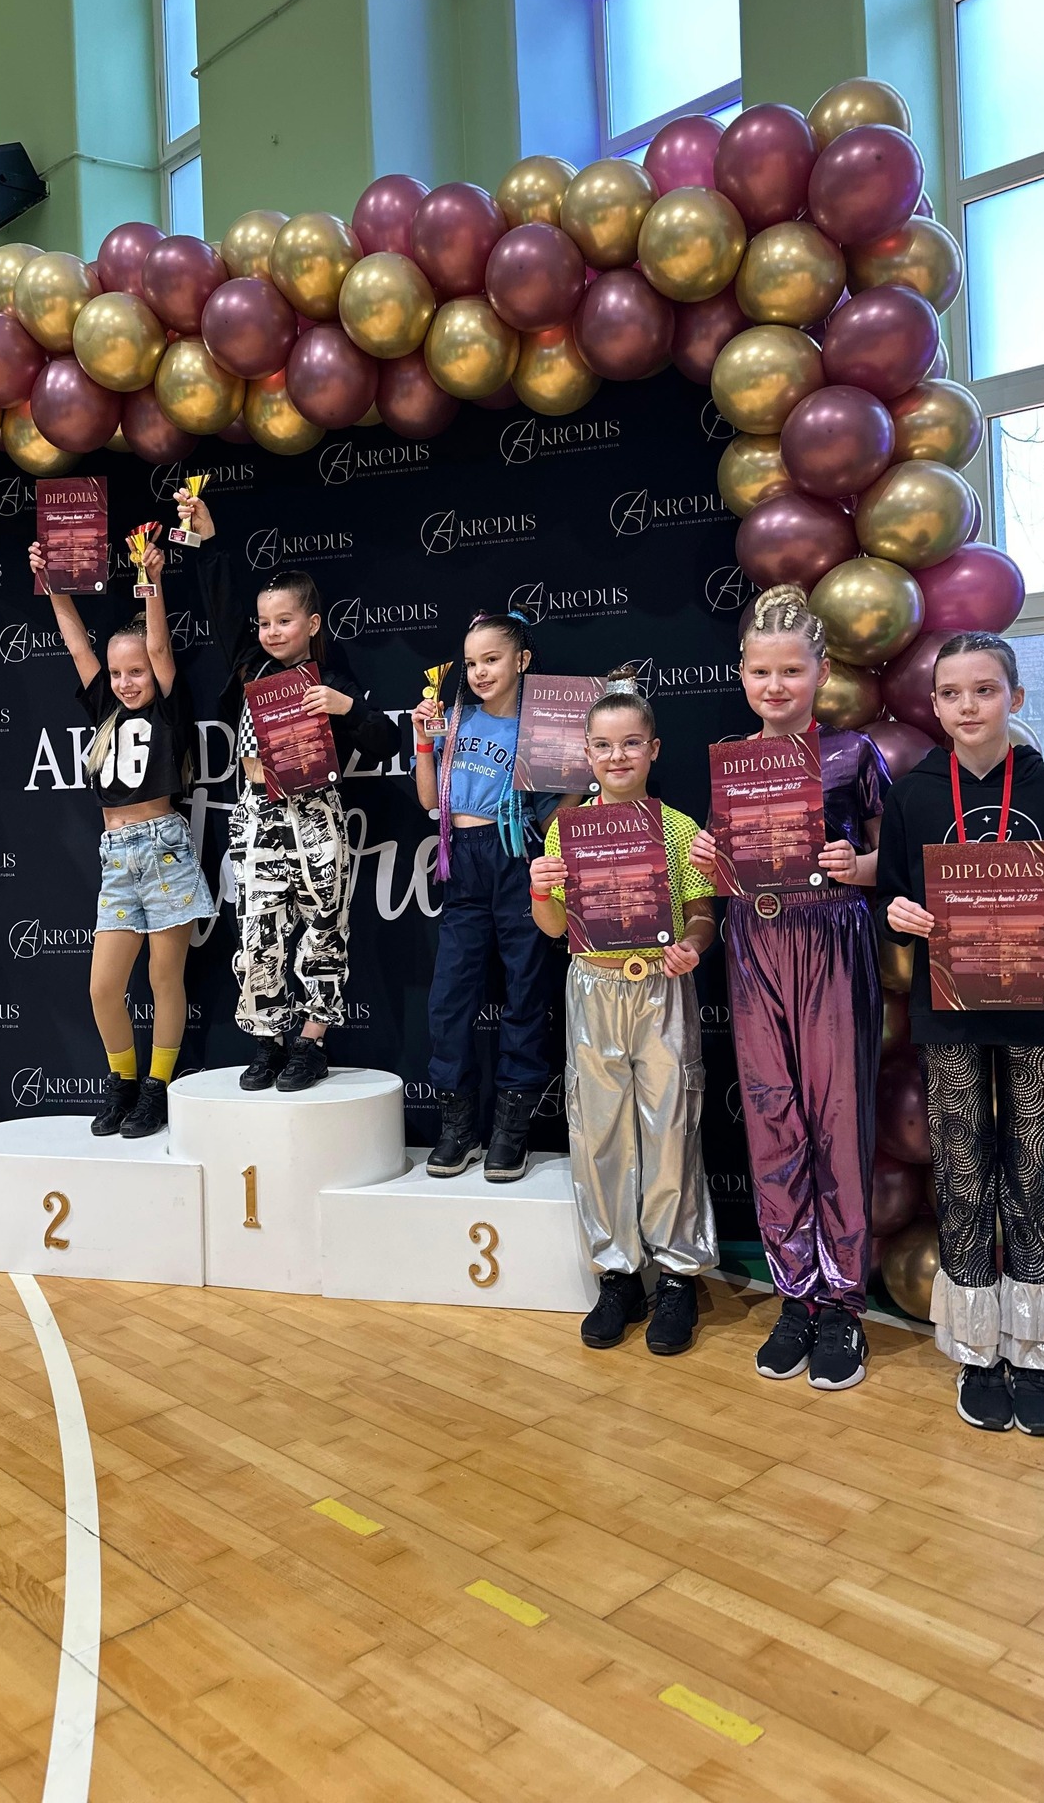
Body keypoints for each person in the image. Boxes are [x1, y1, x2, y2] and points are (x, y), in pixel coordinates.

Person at [877, 632, 1044, 1436]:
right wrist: (899, 914)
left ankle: (1034, 1354)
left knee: (1032, 1174)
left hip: (1038, 1011)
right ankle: (978, 1350)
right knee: (963, 1171)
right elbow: (895, 900)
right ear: (935, 704)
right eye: (951, 693)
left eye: (984, 690)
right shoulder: (912, 795)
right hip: (950, 1011)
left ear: (1016, 696)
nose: (968, 706)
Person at [688, 583, 888, 1392]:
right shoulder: (732, 762)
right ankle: (795, 1294)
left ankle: (844, 1303)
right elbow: (730, 872)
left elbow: (896, 862)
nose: (776, 686)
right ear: (742, 673)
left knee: (837, 1119)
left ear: (821, 672)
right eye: (761, 671)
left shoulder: (853, 754)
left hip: (832, 940)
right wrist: (709, 863)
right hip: (755, 943)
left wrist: (858, 866)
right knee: (774, 1116)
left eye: (792, 671)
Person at [176, 487, 398, 1092]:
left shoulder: (331, 675)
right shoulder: (250, 664)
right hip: (255, 811)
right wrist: (205, 538)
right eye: (265, 622)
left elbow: (385, 741)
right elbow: (221, 603)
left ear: (312, 623)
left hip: (316, 815)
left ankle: (311, 1042)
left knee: (324, 927)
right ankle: (270, 1041)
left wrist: (344, 706)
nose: (272, 631)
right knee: (255, 932)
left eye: (285, 620)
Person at [529, 675, 719, 1354]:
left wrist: (692, 947)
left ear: (653, 749)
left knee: (671, 1127)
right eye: (604, 745)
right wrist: (541, 889)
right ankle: (618, 1273)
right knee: (600, 1131)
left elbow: (702, 915)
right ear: (586, 752)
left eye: (631, 744)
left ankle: (677, 1275)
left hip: (660, 989)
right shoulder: (567, 830)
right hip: (594, 986)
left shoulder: (677, 828)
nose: (618, 757)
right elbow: (554, 927)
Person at [29, 534, 215, 1139]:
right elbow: (75, 644)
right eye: (117, 674)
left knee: (164, 978)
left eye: (135, 672)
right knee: (104, 987)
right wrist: (54, 587)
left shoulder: (167, 709)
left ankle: (157, 1088)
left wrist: (152, 581)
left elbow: (158, 645)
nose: (126, 682)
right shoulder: (104, 709)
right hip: (116, 858)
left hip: (164, 850)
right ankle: (124, 1083)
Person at [411, 611, 564, 1182]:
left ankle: (510, 1130)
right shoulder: (454, 719)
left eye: (492, 659)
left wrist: (572, 795)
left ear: (522, 661)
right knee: (449, 997)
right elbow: (431, 801)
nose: (478, 672)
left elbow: (557, 812)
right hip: (462, 862)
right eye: (471, 662)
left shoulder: (540, 726)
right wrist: (423, 743)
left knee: (526, 991)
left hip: (516, 854)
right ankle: (458, 1125)